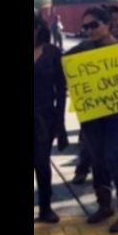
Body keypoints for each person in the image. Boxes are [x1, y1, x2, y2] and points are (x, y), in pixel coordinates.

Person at [65, 6, 118, 233]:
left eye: (94, 25)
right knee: (98, 159)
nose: (89, 30)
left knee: (115, 157)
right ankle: (104, 205)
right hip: (93, 115)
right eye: (85, 26)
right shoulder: (81, 50)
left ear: (109, 25)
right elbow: (61, 65)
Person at [34, 13, 67, 223]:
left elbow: (61, 90)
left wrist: (60, 122)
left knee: (41, 163)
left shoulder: (53, 53)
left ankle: (45, 208)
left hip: (44, 118)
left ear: (38, 28)